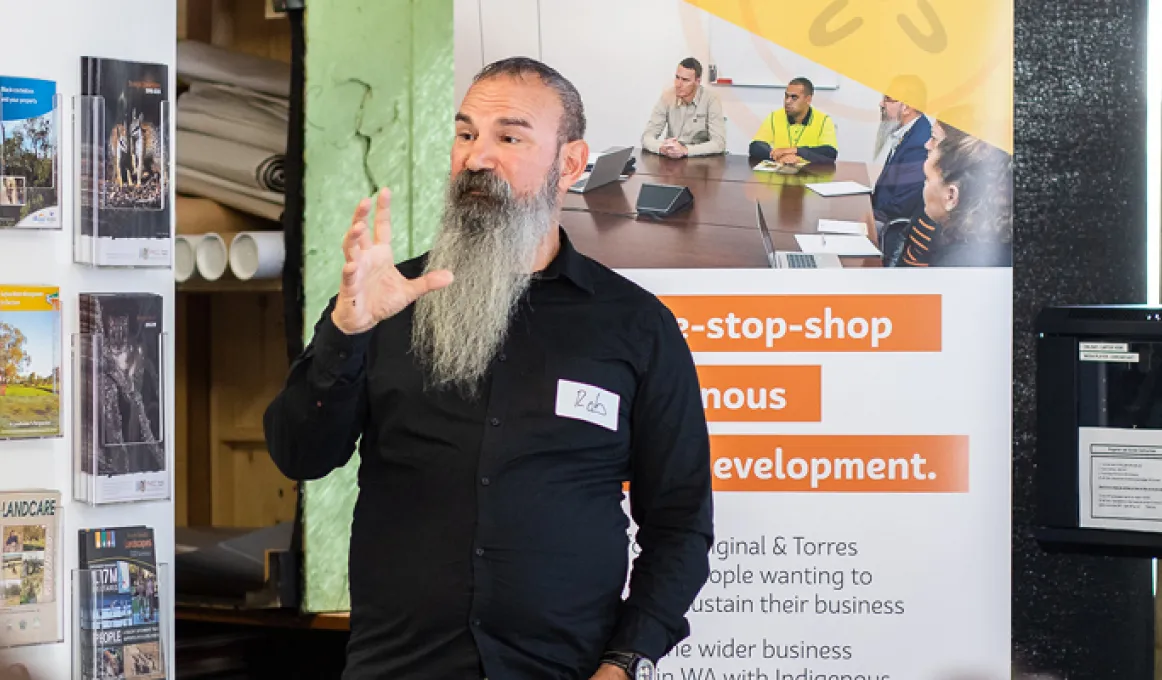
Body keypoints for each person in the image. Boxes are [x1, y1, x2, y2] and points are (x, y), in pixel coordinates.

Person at [264, 56, 714, 680]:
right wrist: (346, 330)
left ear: (572, 163)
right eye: (466, 133)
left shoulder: (634, 325)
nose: (477, 158)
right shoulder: (386, 302)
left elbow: (680, 524)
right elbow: (300, 454)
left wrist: (623, 661)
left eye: (509, 137)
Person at [893, 120, 1012, 267]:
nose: (924, 187)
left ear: (951, 196)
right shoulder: (982, 235)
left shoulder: (954, 263)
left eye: (927, 180)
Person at [871, 75, 932, 228]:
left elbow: (901, 206)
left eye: (887, 99)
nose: (881, 104)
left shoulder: (920, 144)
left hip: (892, 226)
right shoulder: (908, 132)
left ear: (907, 107)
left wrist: (866, 213)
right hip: (882, 215)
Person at [641, 57, 726, 158]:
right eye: (677, 77)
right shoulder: (667, 96)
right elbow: (647, 137)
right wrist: (661, 148)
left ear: (697, 81)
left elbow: (719, 143)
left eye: (685, 80)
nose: (678, 84)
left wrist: (686, 150)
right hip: (671, 160)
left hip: (699, 162)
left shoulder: (711, 99)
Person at [748, 76, 838, 164]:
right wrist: (779, 157)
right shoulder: (774, 116)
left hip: (809, 174)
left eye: (794, 98)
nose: (787, 101)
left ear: (808, 99)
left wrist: (795, 151)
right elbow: (756, 146)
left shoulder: (823, 120)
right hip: (779, 175)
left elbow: (829, 153)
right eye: (786, 96)